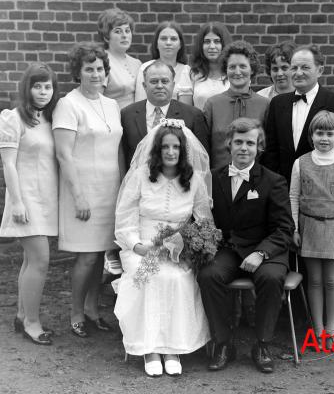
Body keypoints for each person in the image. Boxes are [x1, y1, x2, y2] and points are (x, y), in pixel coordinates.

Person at [114, 119, 212, 377]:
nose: (170, 152)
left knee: (176, 279)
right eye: (165, 147)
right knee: (148, 277)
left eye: (176, 147)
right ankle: (150, 348)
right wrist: (136, 246)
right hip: (142, 246)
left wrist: (188, 244)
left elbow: (204, 221)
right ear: (157, 149)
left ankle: (172, 348)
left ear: (183, 150)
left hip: (177, 250)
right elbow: (124, 219)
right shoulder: (141, 176)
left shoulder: (194, 180)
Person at [197, 118, 294, 373]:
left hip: (266, 250)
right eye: (238, 142)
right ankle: (223, 343)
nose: (243, 148)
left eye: (250, 143)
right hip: (229, 249)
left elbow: (284, 228)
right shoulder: (213, 178)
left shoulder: (273, 181)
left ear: (258, 147)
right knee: (208, 275)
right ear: (228, 144)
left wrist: (261, 253)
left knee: (271, 278)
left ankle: (262, 344)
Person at [52, 43, 123, 338]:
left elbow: (117, 149)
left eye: (100, 69)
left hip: (110, 191)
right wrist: (78, 196)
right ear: (78, 72)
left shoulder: (112, 105)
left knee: (100, 254)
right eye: (89, 69)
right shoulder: (68, 105)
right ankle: (76, 313)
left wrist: (123, 190)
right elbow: (63, 155)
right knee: (87, 257)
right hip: (82, 192)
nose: (96, 74)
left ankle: (93, 310)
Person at [0, 63, 58, 345]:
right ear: (27, 88)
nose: (43, 92)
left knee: (30, 259)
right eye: (37, 86)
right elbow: (8, 164)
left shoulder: (48, 120)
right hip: (25, 199)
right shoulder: (13, 118)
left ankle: (23, 315)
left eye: (48, 86)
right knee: (40, 259)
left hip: (46, 198)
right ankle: (33, 323)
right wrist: (17, 202)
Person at [290, 111, 334, 348]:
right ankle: (317, 329)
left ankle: (331, 329)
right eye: (319, 133)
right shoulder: (301, 163)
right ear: (311, 135)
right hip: (309, 227)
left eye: (330, 134)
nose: (324, 138)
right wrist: (295, 228)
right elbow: (294, 197)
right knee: (315, 280)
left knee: (332, 279)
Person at [262, 44, 334, 185]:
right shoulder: (277, 103)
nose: (298, 73)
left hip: (323, 188)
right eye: (294, 68)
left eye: (305, 67)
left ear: (320, 70)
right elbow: (270, 150)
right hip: (282, 187)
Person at [121, 60, 209, 169]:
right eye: (154, 81)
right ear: (144, 85)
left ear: (173, 85)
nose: (159, 86)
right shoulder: (127, 115)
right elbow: (123, 156)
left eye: (165, 81)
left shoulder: (193, 116)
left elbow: (201, 161)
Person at [204, 40, 269, 168]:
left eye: (243, 66)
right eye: (232, 67)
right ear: (226, 70)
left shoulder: (265, 104)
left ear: (252, 69)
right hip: (218, 176)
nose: (237, 72)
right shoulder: (212, 104)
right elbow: (204, 147)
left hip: (255, 177)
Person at [134, 21, 192, 105]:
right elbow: (139, 104)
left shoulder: (186, 71)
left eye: (173, 39)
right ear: (156, 44)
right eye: (163, 38)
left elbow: (186, 108)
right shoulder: (145, 68)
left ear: (180, 45)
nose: (168, 43)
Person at [97, 7, 142, 109]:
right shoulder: (101, 62)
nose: (124, 35)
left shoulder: (137, 63)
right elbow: (95, 100)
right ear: (106, 37)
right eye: (118, 31)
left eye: (127, 31)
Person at [190, 21, 232, 110]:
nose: (212, 46)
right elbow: (185, 111)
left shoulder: (234, 73)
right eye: (207, 42)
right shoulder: (192, 74)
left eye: (217, 41)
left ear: (224, 44)